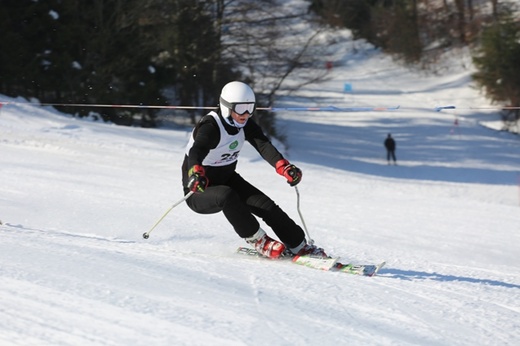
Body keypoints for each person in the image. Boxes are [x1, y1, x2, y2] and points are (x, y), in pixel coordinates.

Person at [182, 81, 326, 259]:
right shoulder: (211, 127)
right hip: (199, 189)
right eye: (241, 108)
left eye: (250, 108)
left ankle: (300, 246)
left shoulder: (245, 124)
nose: (246, 114)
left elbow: (263, 145)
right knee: (226, 195)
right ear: (226, 107)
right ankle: (258, 240)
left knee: (267, 207)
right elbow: (197, 149)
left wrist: (284, 167)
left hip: (228, 178)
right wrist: (195, 173)